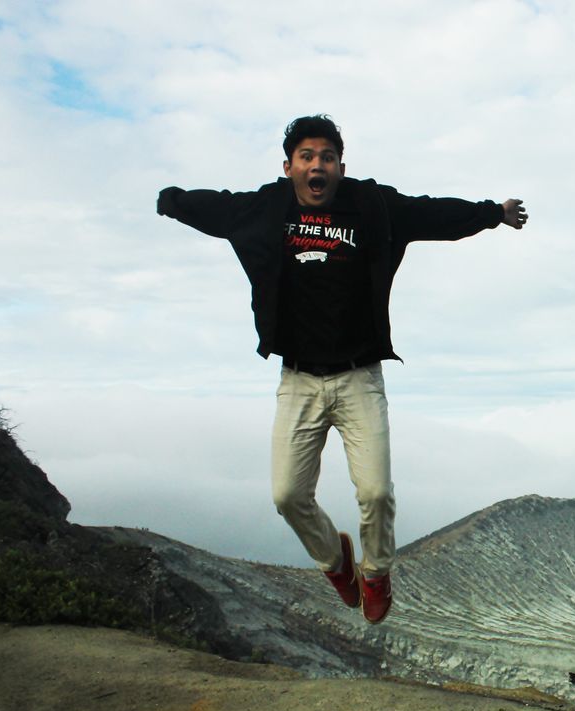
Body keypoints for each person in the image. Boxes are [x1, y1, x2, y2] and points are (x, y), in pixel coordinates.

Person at [156, 114, 527, 624]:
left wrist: (492, 213)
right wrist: (169, 200)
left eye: (326, 158)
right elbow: (213, 207)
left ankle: (375, 573)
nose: (317, 165)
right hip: (299, 380)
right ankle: (337, 561)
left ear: (340, 167)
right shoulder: (266, 207)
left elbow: (430, 214)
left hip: (359, 377)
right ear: (289, 167)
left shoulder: (370, 205)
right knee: (288, 496)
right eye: (306, 157)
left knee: (375, 492)